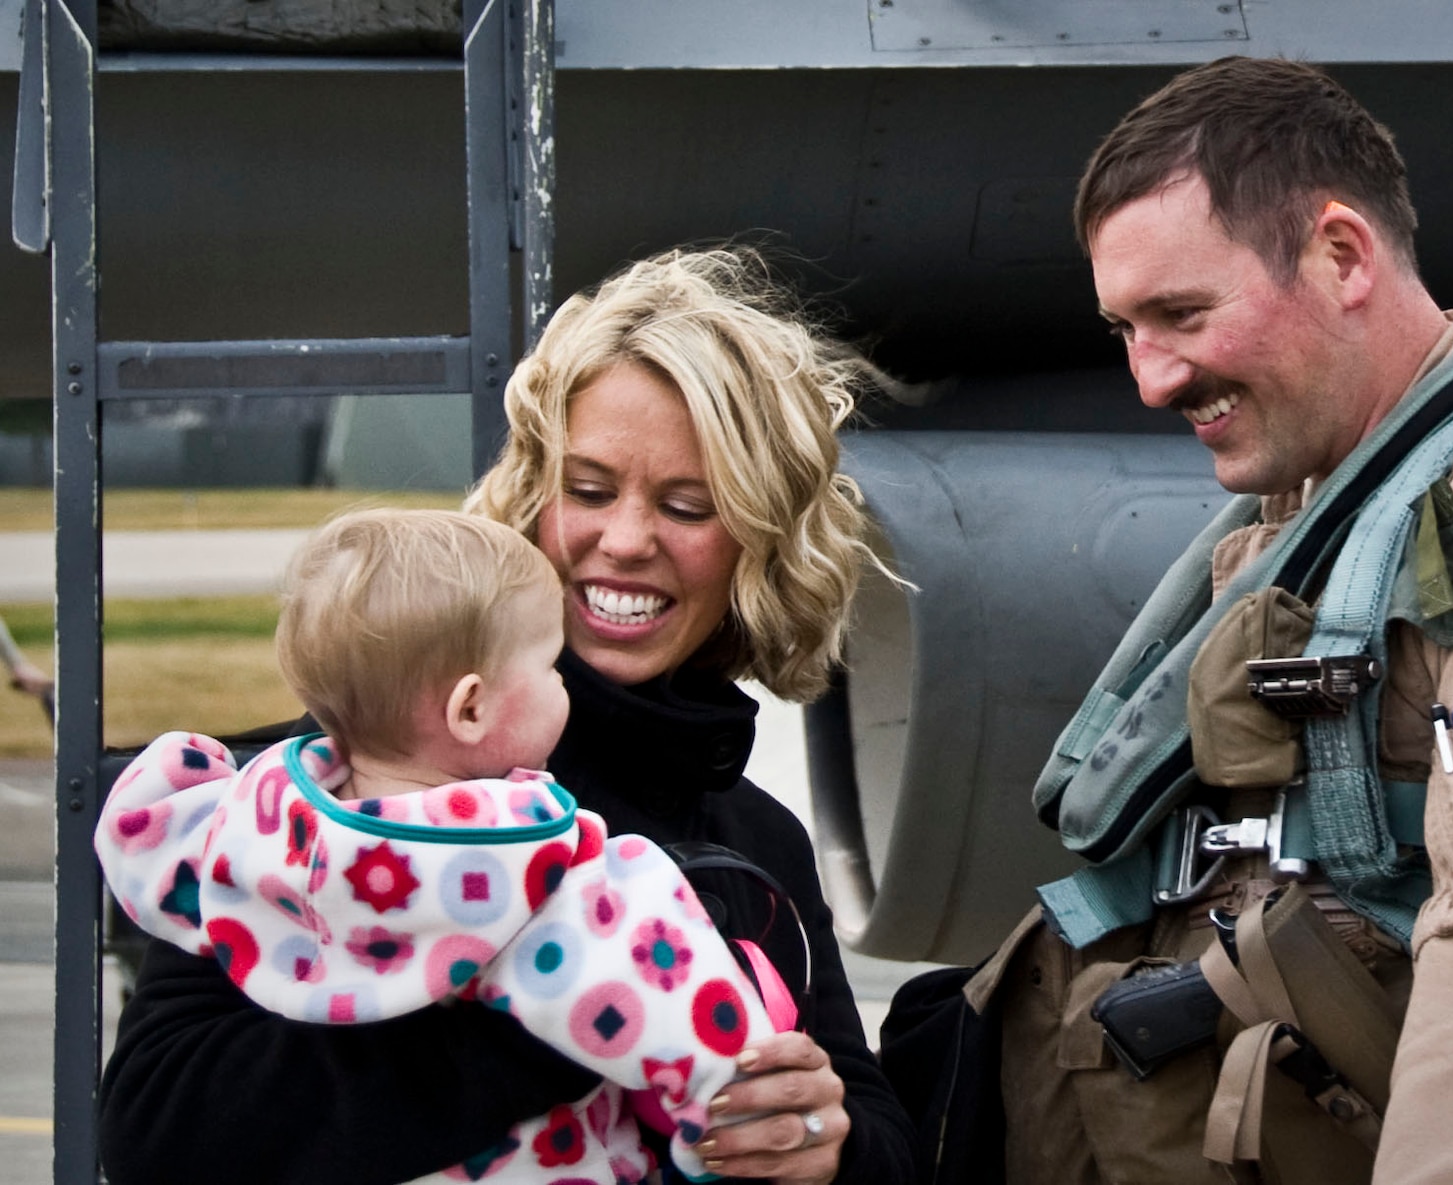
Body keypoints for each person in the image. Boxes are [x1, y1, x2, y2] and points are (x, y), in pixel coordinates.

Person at [976, 57, 1453, 1183]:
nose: (1150, 380)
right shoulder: (1323, 517)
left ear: (1340, 256)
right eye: (1124, 330)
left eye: (1181, 315)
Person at [99, 248, 919, 1185]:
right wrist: (585, 1006)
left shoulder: (754, 841)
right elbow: (156, 1127)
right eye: (589, 490)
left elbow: (880, 1142)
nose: (625, 540)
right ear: (532, 494)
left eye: (688, 506)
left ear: (759, 541)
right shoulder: (344, 781)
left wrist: (824, 1139)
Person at [95, 508, 778, 1184]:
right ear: (470, 708)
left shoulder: (255, 828)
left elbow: (155, 856)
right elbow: (673, 1006)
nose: (563, 683)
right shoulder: (539, 866)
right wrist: (718, 1133)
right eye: (550, 667)